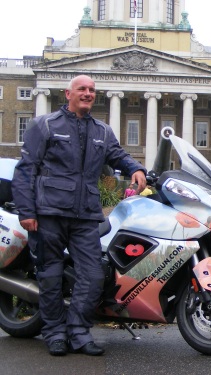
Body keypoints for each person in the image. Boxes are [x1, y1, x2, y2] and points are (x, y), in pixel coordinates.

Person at [12, 75, 147, 356]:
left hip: (85, 214)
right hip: (49, 211)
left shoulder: (102, 131)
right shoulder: (45, 125)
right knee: (50, 274)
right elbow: (26, 170)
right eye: (82, 89)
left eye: (92, 90)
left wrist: (136, 168)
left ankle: (78, 331)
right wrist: (27, 211)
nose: (87, 93)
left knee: (93, 274)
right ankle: (55, 333)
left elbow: (118, 155)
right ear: (68, 94)